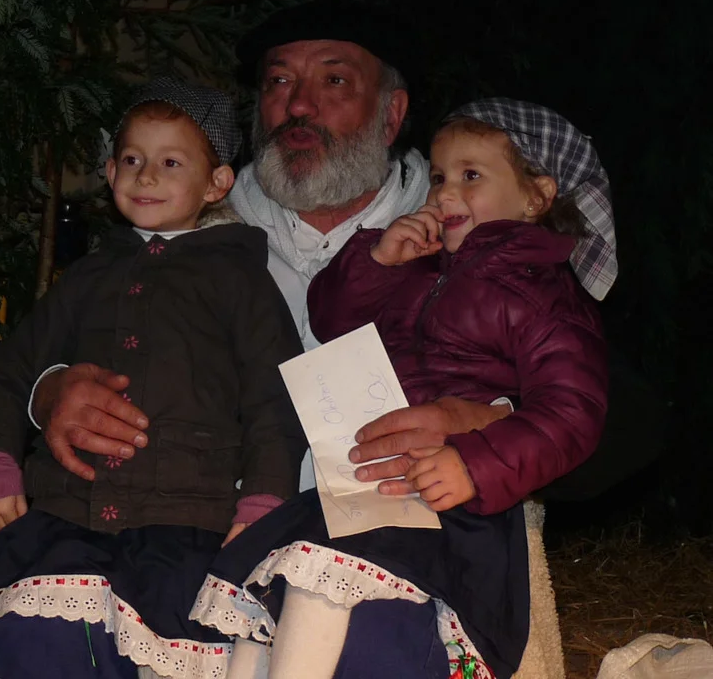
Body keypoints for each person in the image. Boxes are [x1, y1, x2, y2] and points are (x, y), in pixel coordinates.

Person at [191, 98, 613, 679]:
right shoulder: (420, 271)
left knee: (321, 586)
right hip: (365, 486)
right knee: (277, 591)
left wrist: (474, 463)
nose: (445, 193)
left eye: (471, 176)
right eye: (438, 177)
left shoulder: (543, 293)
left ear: (536, 196)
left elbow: (572, 411)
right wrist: (380, 261)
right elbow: (331, 319)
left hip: (452, 498)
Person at [0, 77, 307, 679]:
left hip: (188, 520)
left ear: (216, 183)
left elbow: (276, 398)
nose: (147, 177)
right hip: (67, 512)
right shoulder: (88, 277)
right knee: (39, 636)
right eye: (133, 160)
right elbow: (13, 368)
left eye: (171, 163)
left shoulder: (240, 281)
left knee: (172, 655)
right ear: (110, 171)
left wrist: (264, 501)